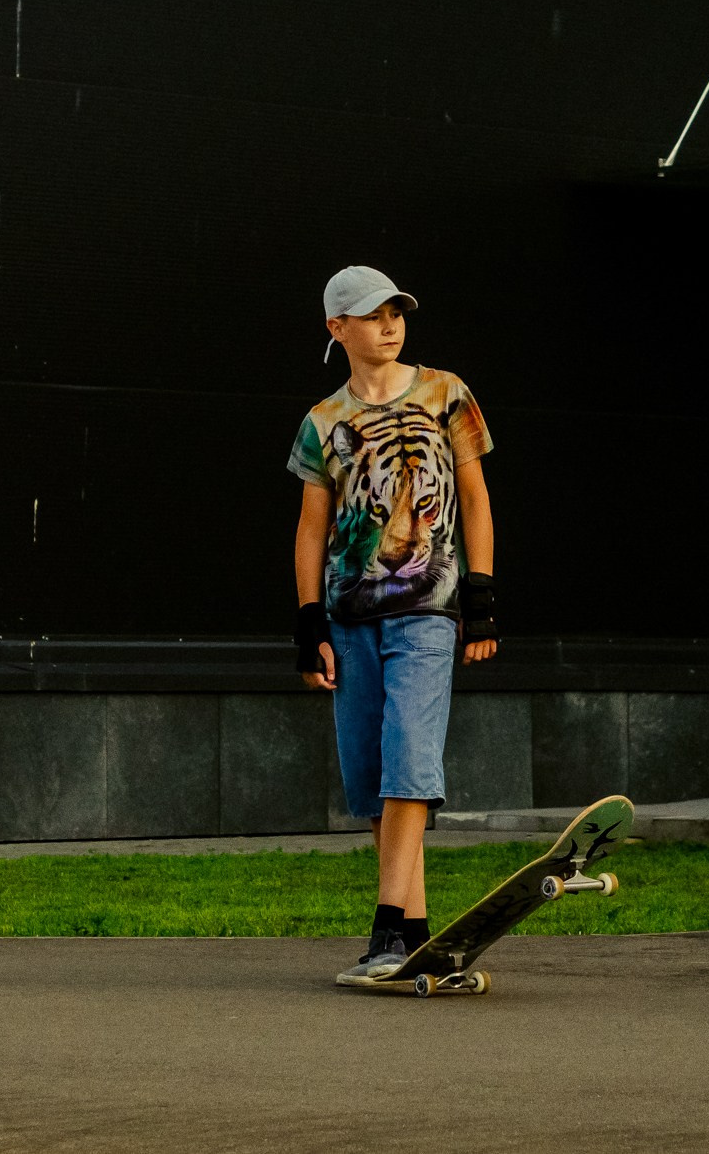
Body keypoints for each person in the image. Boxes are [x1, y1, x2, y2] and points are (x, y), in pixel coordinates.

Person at [286, 264, 499, 986]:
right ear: (336, 328)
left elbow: (474, 497)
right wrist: (309, 619)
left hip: (430, 611)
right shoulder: (323, 421)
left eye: (397, 312)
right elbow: (312, 528)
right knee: (372, 777)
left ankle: (383, 930)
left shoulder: (447, 393)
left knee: (410, 751)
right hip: (349, 618)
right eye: (373, 314)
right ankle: (416, 936)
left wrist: (482, 597)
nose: (390, 324)